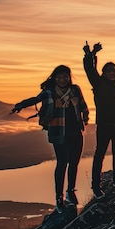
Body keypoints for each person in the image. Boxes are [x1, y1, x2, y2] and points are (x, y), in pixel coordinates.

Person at [12, 65, 89, 212]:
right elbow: (36, 99)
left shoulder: (75, 90)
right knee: (62, 164)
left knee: (74, 163)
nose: (62, 79)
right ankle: (59, 198)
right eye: (59, 77)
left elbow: (83, 105)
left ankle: (71, 192)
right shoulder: (49, 92)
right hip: (58, 132)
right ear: (54, 78)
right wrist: (21, 104)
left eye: (65, 76)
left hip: (75, 131)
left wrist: (85, 118)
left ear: (69, 77)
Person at [83, 41, 115, 198]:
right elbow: (89, 69)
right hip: (105, 125)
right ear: (103, 72)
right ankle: (96, 186)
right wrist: (91, 54)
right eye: (108, 71)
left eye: (113, 71)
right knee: (100, 153)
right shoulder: (99, 83)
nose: (111, 73)